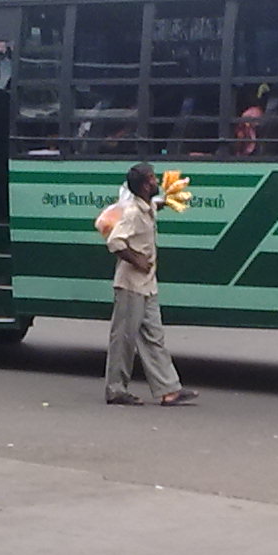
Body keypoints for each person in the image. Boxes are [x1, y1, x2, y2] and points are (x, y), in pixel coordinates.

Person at [103, 160, 196, 408]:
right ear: (144, 186)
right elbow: (115, 242)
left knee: (154, 337)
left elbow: (154, 206)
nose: (157, 182)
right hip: (131, 285)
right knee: (123, 339)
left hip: (148, 286)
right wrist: (137, 261)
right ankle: (115, 390)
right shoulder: (132, 213)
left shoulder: (146, 206)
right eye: (153, 179)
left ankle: (169, 390)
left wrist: (168, 201)